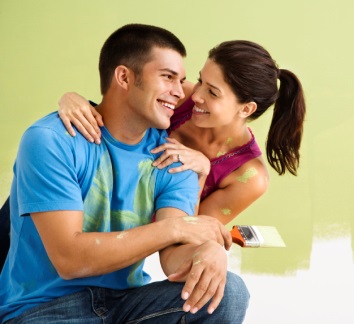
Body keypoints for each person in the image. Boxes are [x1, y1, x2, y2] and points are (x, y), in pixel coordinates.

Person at [0, 24, 249, 323]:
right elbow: (69, 260)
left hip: (126, 305)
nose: (182, 92)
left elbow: (173, 261)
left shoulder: (175, 159)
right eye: (168, 77)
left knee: (230, 292)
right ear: (124, 77)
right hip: (46, 308)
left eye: (181, 80)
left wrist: (207, 253)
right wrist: (175, 228)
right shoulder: (52, 140)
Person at [58, 40, 306, 225]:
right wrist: (72, 99)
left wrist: (201, 173)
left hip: (119, 233)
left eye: (213, 92)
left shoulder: (249, 177)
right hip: (78, 198)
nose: (195, 94)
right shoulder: (183, 97)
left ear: (246, 108)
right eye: (200, 81)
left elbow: (186, 236)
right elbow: (119, 104)